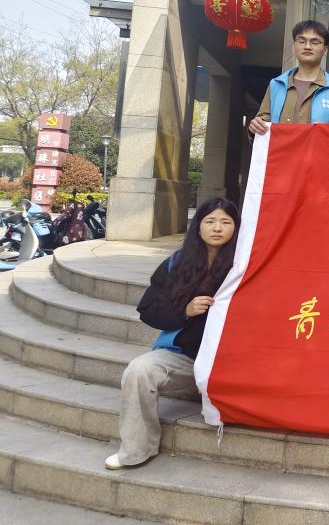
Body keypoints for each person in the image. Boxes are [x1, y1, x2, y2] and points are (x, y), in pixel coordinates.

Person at [105, 197, 239, 470]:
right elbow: (149, 310)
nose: (217, 228)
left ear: (236, 228)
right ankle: (136, 450)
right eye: (210, 221)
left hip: (231, 362)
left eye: (226, 222)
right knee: (139, 371)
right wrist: (185, 311)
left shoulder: (244, 265)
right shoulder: (176, 263)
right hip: (184, 358)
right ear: (198, 226)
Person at [248, 20, 329, 135]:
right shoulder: (276, 85)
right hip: (281, 147)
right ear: (294, 46)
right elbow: (262, 125)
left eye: (315, 42)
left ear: (325, 49)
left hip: (320, 148)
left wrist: (327, 133)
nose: (307, 46)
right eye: (301, 41)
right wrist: (255, 128)